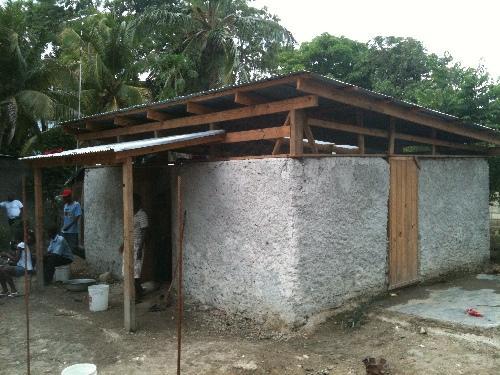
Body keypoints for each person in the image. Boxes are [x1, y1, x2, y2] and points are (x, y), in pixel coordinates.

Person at [119, 194, 148, 301]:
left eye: (133, 201)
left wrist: (140, 248)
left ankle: (137, 296)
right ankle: (138, 291)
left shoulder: (142, 214)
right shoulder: (129, 213)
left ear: (137, 202)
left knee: (135, 272)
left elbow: (145, 231)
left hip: (137, 245)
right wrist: (123, 244)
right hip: (128, 244)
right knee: (126, 269)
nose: (131, 203)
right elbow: (127, 231)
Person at [60, 188, 83, 258]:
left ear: (70, 196)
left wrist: (69, 226)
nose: (64, 198)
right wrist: (63, 227)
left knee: (73, 249)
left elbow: (77, 217)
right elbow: (65, 217)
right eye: (64, 197)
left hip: (72, 231)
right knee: (64, 247)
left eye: (66, 197)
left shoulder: (76, 205)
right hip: (64, 231)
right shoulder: (65, 205)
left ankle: (82, 258)